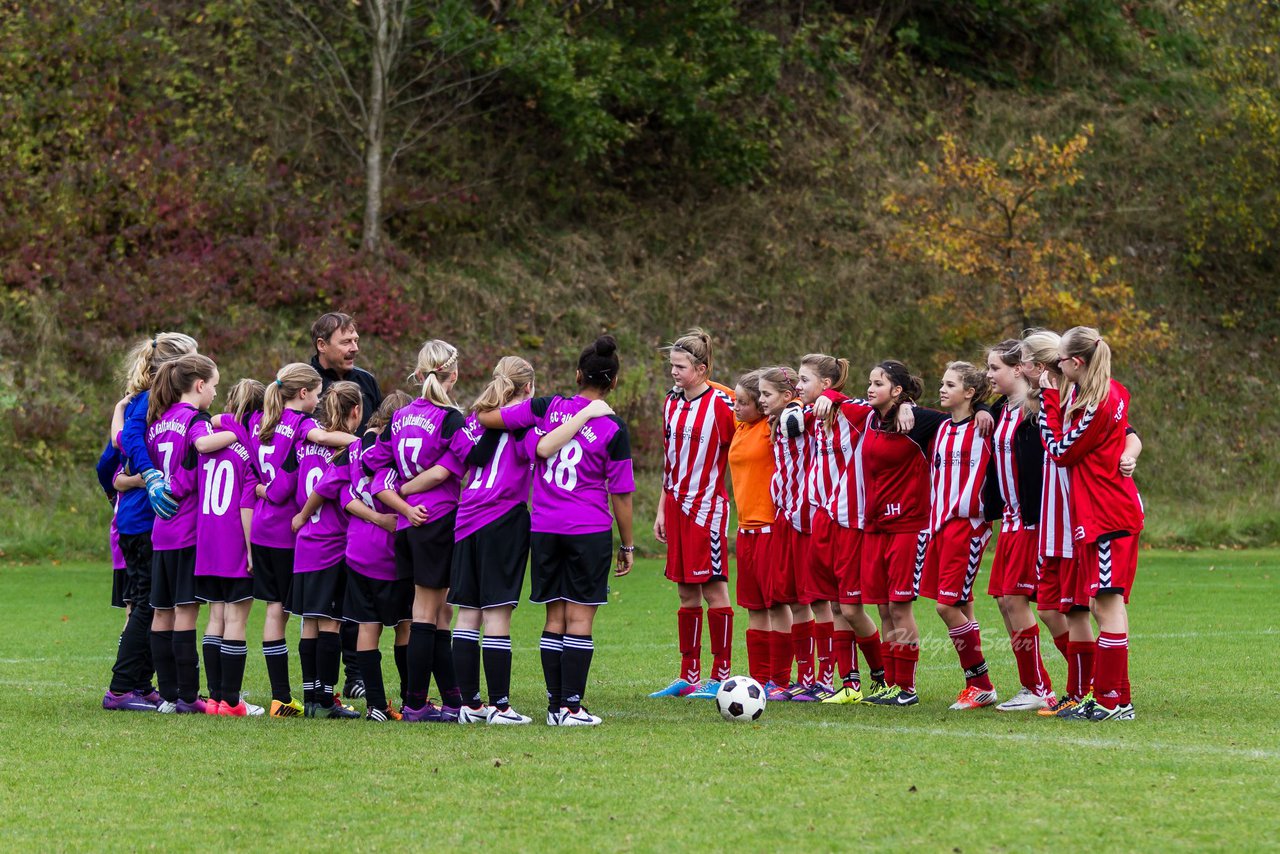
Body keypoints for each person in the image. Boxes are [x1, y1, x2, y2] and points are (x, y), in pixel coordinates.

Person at [477, 335, 636, 726]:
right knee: (579, 620)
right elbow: (622, 495)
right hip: (588, 528)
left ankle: (554, 707)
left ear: (578, 374)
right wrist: (628, 545)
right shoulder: (613, 428)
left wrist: (524, 427)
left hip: (544, 527)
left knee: (554, 616)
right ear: (613, 382)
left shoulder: (546, 407)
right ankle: (571, 707)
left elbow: (488, 417)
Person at [451, 357, 609, 724]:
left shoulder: (474, 420)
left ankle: (470, 706)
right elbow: (544, 448)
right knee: (495, 613)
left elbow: (462, 458)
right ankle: (500, 707)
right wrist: (583, 416)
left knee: (467, 614)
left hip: (465, 517)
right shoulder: (524, 426)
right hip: (501, 517)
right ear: (528, 390)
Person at [1038, 327, 1144, 722]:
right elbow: (1127, 434)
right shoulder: (1112, 390)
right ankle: (1117, 697)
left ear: (1076, 363)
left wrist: (1049, 399)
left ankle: (1112, 700)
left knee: (1106, 607)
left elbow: (1061, 451)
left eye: (1061, 361)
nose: (1057, 367)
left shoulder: (1094, 405)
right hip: (1106, 512)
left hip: (1106, 514)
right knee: (1104, 606)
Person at [365, 340, 469, 723]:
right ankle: (415, 703)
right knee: (427, 612)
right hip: (435, 519)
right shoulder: (450, 417)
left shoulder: (402, 415)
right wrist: (411, 490)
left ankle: (454, 699)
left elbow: (372, 460)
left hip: (409, 525)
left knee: (439, 613)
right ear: (452, 374)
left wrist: (400, 493)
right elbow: (465, 461)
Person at [249, 363, 358, 718]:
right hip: (295, 532)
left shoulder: (262, 421)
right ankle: (319, 698)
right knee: (317, 617)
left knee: (283, 612)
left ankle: (289, 695)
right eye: (316, 392)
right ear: (304, 394)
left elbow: (274, 480)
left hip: (266, 528)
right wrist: (364, 441)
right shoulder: (305, 427)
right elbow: (321, 453)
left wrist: (261, 489)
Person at [101, 333, 198, 710]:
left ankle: (141, 684)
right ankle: (121, 688)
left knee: (155, 602)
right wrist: (148, 476)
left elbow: (107, 462)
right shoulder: (143, 404)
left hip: (147, 519)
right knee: (146, 603)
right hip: (143, 519)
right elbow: (127, 443)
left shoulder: (165, 407)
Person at [146, 354, 235, 713]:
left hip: (160, 529)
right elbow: (200, 444)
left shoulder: (158, 422)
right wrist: (232, 432)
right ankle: (187, 696)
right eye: (214, 385)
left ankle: (167, 694)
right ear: (199, 385)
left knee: (161, 612)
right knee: (185, 612)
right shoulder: (194, 419)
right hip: (186, 529)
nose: (215, 392)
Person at [650, 329, 737, 699]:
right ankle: (689, 675)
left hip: (707, 511)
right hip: (676, 507)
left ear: (701, 369)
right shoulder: (671, 402)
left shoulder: (723, 403)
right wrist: (660, 509)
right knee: (686, 594)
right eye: (672, 365)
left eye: (681, 366)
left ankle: (721, 675)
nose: (673, 372)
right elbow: (670, 462)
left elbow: (751, 438)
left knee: (715, 591)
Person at [984, 340, 1061, 712]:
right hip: (1011, 523)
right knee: (1004, 601)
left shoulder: (1039, 407)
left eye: (995, 367)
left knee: (1033, 604)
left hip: (1034, 521)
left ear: (1019, 370)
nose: (988, 375)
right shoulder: (1000, 409)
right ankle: (1035, 684)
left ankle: (1049, 686)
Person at [308, 311, 382, 695]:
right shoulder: (303, 382)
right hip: (319, 507)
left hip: (359, 499)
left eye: (355, 340)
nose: (354, 348)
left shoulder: (366, 382)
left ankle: (354, 676)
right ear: (322, 346)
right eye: (346, 342)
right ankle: (319, 686)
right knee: (320, 606)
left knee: (355, 592)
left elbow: (380, 431)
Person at [919, 362, 998, 711]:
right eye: (941, 383)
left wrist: (982, 409)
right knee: (961, 604)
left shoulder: (985, 427)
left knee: (946, 605)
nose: (942, 389)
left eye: (950, 385)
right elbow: (906, 408)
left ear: (969, 392)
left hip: (967, 524)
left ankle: (980, 682)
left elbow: (1002, 407)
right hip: (939, 524)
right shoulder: (939, 426)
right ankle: (977, 686)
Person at [192, 378, 264, 716]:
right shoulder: (248, 446)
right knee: (237, 618)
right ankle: (232, 702)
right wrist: (251, 549)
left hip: (206, 538)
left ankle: (215, 699)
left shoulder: (210, 439)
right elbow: (246, 505)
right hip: (233, 538)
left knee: (215, 616)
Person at [343, 391, 414, 722]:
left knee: (367, 626)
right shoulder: (393, 450)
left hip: (357, 547)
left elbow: (344, 493)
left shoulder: (355, 447)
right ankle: (413, 697)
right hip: (389, 550)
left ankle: (375, 705)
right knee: (405, 625)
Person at [755, 366, 815, 701]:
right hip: (785, 517)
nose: (762, 401)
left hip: (801, 519)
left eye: (767, 394)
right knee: (787, 597)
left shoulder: (794, 415)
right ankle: (785, 679)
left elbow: (804, 415)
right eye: (760, 394)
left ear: (788, 395)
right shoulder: (782, 418)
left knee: (803, 600)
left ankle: (807, 679)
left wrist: (806, 403)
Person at [726, 371, 779, 689]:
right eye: (735, 400)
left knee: (778, 607)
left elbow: (796, 401)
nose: (736, 407)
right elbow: (713, 393)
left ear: (761, 403)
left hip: (771, 529)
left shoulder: (773, 427)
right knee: (755, 608)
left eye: (743, 402)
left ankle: (782, 680)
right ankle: (760, 680)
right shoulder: (741, 426)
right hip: (745, 530)